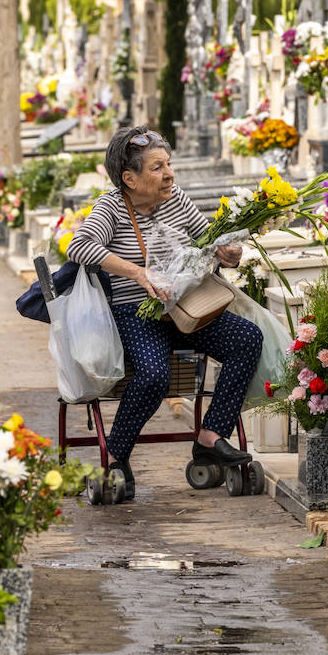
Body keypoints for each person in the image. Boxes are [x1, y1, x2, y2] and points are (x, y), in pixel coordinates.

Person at [66, 125, 261, 501]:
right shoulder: (111, 206)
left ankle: (210, 436)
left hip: (185, 310)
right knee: (155, 375)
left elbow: (210, 239)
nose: (169, 174)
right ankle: (117, 458)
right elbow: (80, 246)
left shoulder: (178, 200)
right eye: (157, 168)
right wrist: (138, 273)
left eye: (168, 164)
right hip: (135, 314)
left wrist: (228, 253)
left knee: (247, 339)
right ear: (130, 178)